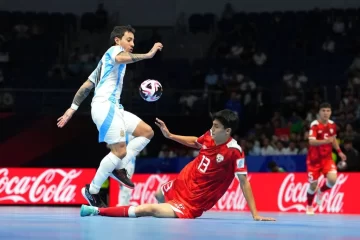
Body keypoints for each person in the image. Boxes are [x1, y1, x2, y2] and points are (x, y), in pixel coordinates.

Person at [80, 109, 276, 221]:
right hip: (181, 183)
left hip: (192, 203)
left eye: (216, 126)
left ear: (228, 130)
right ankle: (167, 216)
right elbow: (194, 141)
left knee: (149, 210)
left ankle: (97, 210)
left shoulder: (235, 151)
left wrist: (256, 214)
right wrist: (171, 135)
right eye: (213, 124)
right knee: (158, 194)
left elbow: (244, 182)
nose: (211, 129)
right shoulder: (210, 136)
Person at [57, 25, 163, 207]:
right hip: (104, 106)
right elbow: (122, 57)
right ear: (117, 40)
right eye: (129, 40)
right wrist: (148, 55)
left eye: (133, 41)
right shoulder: (114, 51)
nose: (132, 44)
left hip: (115, 108)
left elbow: (86, 86)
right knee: (120, 150)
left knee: (147, 132)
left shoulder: (103, 65)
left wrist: (72, 108)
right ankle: (92, 190)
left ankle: (118, 168)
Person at [306, 102, 347, 215]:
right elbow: (311, 142)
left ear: (331, 112)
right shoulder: (315, 124)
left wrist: (339, 152)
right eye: (323, 110)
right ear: (319, 112)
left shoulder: (332, 125)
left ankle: (321, 191)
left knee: (333, 180)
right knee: (312, 186)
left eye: (328, 111)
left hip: (327, 159)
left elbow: (333, 140)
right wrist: (325, 141)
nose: (325, 113)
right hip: (313, 161)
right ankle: (309, 206)